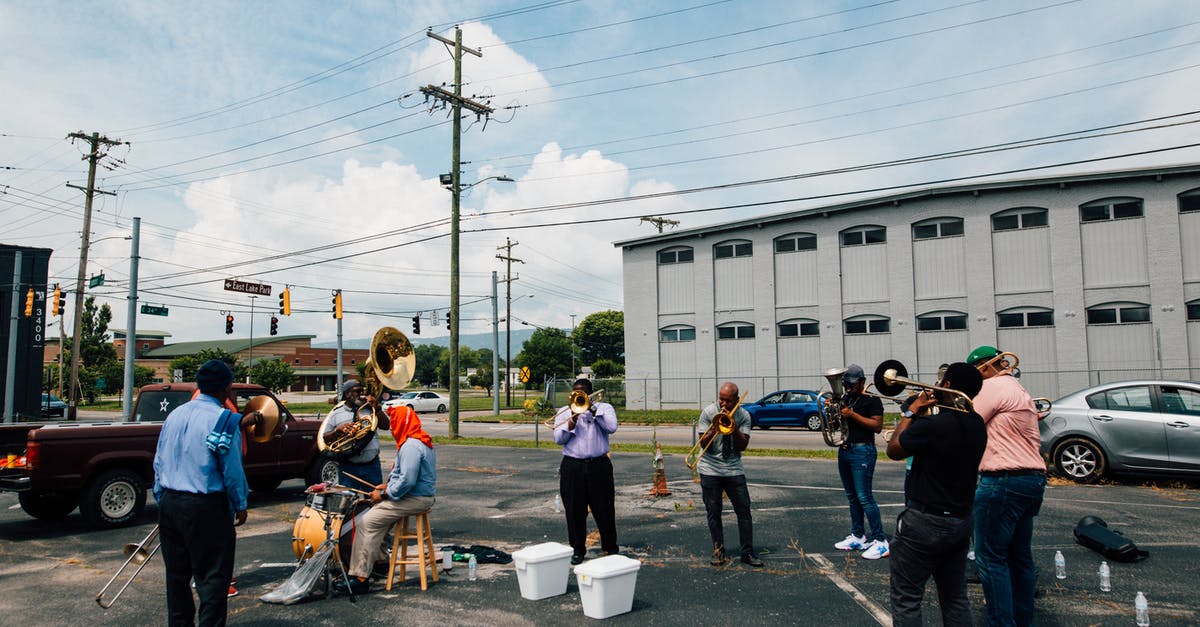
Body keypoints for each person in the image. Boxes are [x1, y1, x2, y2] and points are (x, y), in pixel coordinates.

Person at [885, 363, 988, 626]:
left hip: (924, 521)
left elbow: (894, 449)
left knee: (907, 599)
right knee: (955, 598)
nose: (937, 385)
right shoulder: (977, 424)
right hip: (960, 520)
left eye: (942, 382)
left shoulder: (933, 424)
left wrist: (911, 411)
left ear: (948, 386)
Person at [152, 359, 249, 626]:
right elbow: (231, 470)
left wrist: (162, 496)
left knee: (177, 579)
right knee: (212, 582)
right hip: (205, 506)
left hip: (170, 502)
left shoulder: (175, 414)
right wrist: (240, 503)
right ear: (226, 388)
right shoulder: (225, 420)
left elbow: (159, 460)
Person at [967, 345, 1047, 627]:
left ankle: (1001, 622)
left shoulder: (993, 385)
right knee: (1019, 556)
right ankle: (1022, 619)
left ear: (985, 368)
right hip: (1032, 478)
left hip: (1003, 479)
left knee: (991, 559)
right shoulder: (1018, 388)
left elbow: (968, 425)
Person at [337, 402, 436, 595]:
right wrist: (387, 486)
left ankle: (360, 577)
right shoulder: (417, 440)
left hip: (416, 498)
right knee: (377, 516)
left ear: (402, 422)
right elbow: (405, 478)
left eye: (394, 421)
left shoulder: (410, 447)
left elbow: (407, 481)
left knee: (368, 521)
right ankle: (380, 563)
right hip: (418, 496)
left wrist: (384, 494)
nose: (392, 426)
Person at [552, 378, 619, 565]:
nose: (577, 396)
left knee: (604, 508)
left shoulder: (605, 408)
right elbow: (558, 438)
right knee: (574, 510)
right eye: (575, 392)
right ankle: (577, 549)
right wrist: (571, 422)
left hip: (599, 465)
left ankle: (611, 548)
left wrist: (593, 412)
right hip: (573, 466)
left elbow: (612, 427)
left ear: (590, 393)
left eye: (582, 393)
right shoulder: (565, 412)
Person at [696, 381, 763, 567]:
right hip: (710, 469)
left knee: (744, 512)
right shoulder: (709, 412)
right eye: (721, 400)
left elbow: (743, 445)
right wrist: (714, 429)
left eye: (728, 401)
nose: (723, 404)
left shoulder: (744, 416)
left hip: (733, 468)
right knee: (713, 512)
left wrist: (732, 429)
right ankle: (718, 552)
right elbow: (702, 444)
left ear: (736, 399)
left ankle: (747, 553)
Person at [830, 364, 889, 559]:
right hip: (845, 448)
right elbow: (838, 424)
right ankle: (858, 535)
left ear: (862, 382)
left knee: (865, 497)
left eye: (852, 384)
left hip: (863, 450)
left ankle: (880, 540)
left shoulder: (871, 400)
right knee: (852, 496)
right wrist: (833, 412)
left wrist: (852, 414)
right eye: (846, 384)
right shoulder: (846, 398)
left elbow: (877, 426)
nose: (848, 387)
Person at [323, 379, 384, 487]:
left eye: (362, 391)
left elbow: (386, 425)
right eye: (357, 391)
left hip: (372, 465)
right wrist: (338, 430)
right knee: (347, 500)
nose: (361, 394)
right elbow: (325, 438)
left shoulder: (370, 410)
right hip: (348, 465)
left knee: (375, 501)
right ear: (347, 394)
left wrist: (377, 408)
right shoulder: (336, 413)